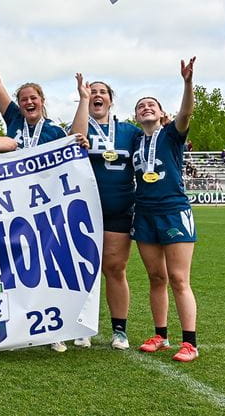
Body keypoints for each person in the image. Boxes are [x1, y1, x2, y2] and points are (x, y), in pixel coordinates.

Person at [133, 57, 200, 363]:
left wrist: (187, 82)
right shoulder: (134, 140)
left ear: (161, 113)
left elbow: (187, 112)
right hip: (144, 213)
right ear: (136, 116)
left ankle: (190, 343)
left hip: (173, 210)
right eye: (140, 106)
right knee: (156, 278)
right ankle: (160, 335)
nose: (146, 107)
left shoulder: (172, 134)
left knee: (178, 278)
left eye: (151, 105)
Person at [71, 74, 142, 350]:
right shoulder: (80, 124)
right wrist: (83, 99)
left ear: (111, 100)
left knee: (115, 269)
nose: (97, 95)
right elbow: (73, 139)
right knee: (84, 270)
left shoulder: (128, 132)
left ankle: (119, 330)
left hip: (118, 209)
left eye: (102, 92)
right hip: (83, 210)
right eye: (92, 92)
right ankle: (82, 326)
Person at [0, 26, 67, 151]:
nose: (29, 102)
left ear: (42, 101)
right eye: (24, 100)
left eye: (33, 98)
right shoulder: (15, 118)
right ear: (19, 105)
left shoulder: (55, 131)